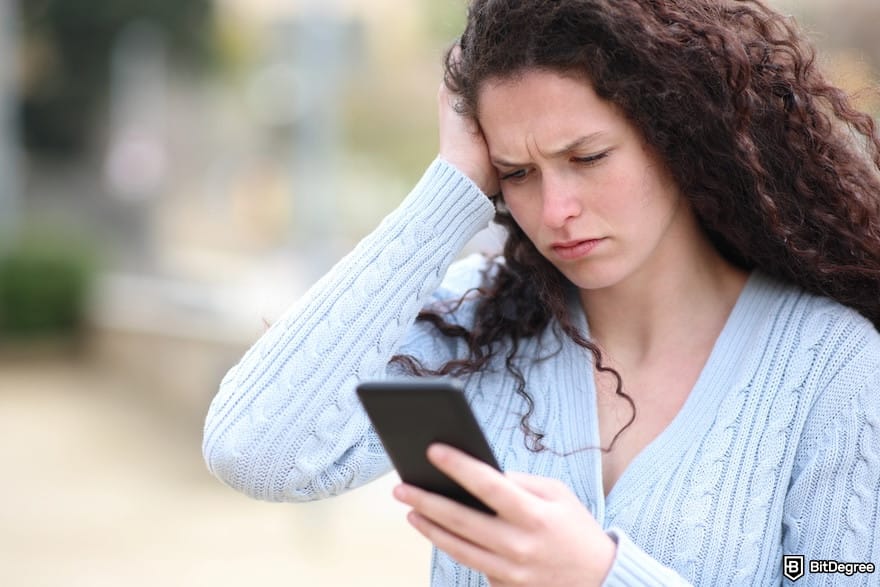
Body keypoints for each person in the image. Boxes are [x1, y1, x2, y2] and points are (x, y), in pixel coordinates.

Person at [202, 0, 880, 584]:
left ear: (681, 138)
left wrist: (600, 575)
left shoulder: (830, 366)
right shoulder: (477, 323)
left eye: (587, 158)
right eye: (517, 172)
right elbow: (253, 450)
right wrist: (451, 188)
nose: (555, 209)